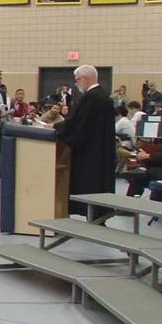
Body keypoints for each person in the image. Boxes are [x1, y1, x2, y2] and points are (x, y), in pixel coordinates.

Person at [50, 65, 116, 215]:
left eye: (77, 80)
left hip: (90, 152)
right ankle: (98, 215)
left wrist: (55, 126)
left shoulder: (91, 97)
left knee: (89, 184)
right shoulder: (102, 96)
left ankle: (92, 213)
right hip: (101, 149)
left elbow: (77, 124)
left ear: (85, 78)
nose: (76, 83)